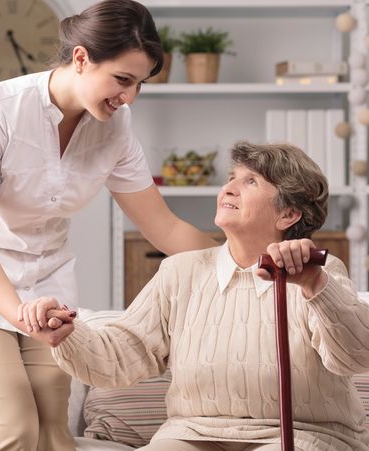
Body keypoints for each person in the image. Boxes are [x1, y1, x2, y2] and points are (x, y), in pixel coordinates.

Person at [0, 0, 216, 449]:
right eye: (122, 79)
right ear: (81, 58)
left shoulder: (116, 127)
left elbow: (165, 229)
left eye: (139, 84)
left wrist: (246, 260)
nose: (129, 97)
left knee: (55, 432)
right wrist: (19, 313)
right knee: (15, 427)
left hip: (47, 277)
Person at [21, 141, 369, 450]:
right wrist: (68, 334)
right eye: (232, 177)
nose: (229, 188)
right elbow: (123, 354)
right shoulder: (180, 272)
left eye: (251, 181)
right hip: (192, 432)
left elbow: (354, 356)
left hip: (304, 433)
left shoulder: (319, 271)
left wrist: (313, 284)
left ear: (288, 214)